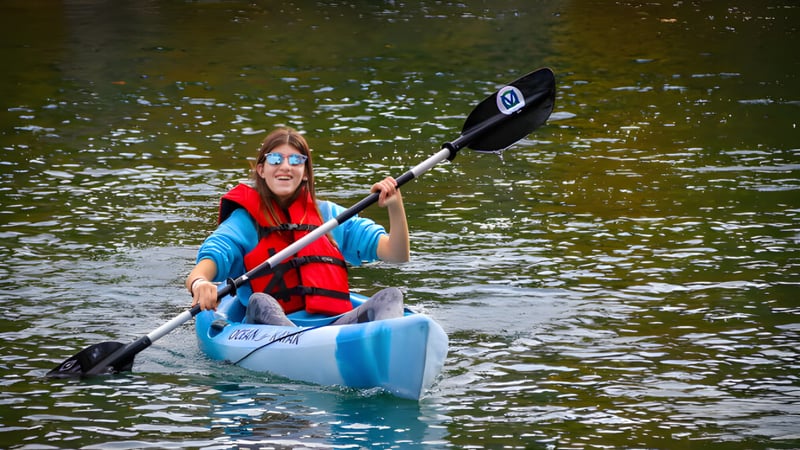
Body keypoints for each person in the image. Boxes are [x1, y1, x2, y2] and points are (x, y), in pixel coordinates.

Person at [186, 127, 409, 326]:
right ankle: (298, 342)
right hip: (269, 329)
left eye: (295, 160)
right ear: (261, 170)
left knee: (391, 296)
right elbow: (206, 263)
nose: (285, 167)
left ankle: (385, 347)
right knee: (261, 301)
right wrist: (200, 283)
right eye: (275, 159)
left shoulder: (329, 216)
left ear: (305, 172)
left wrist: (395, 207)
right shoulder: (245, 222)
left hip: (334, 325)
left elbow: (397, 254)